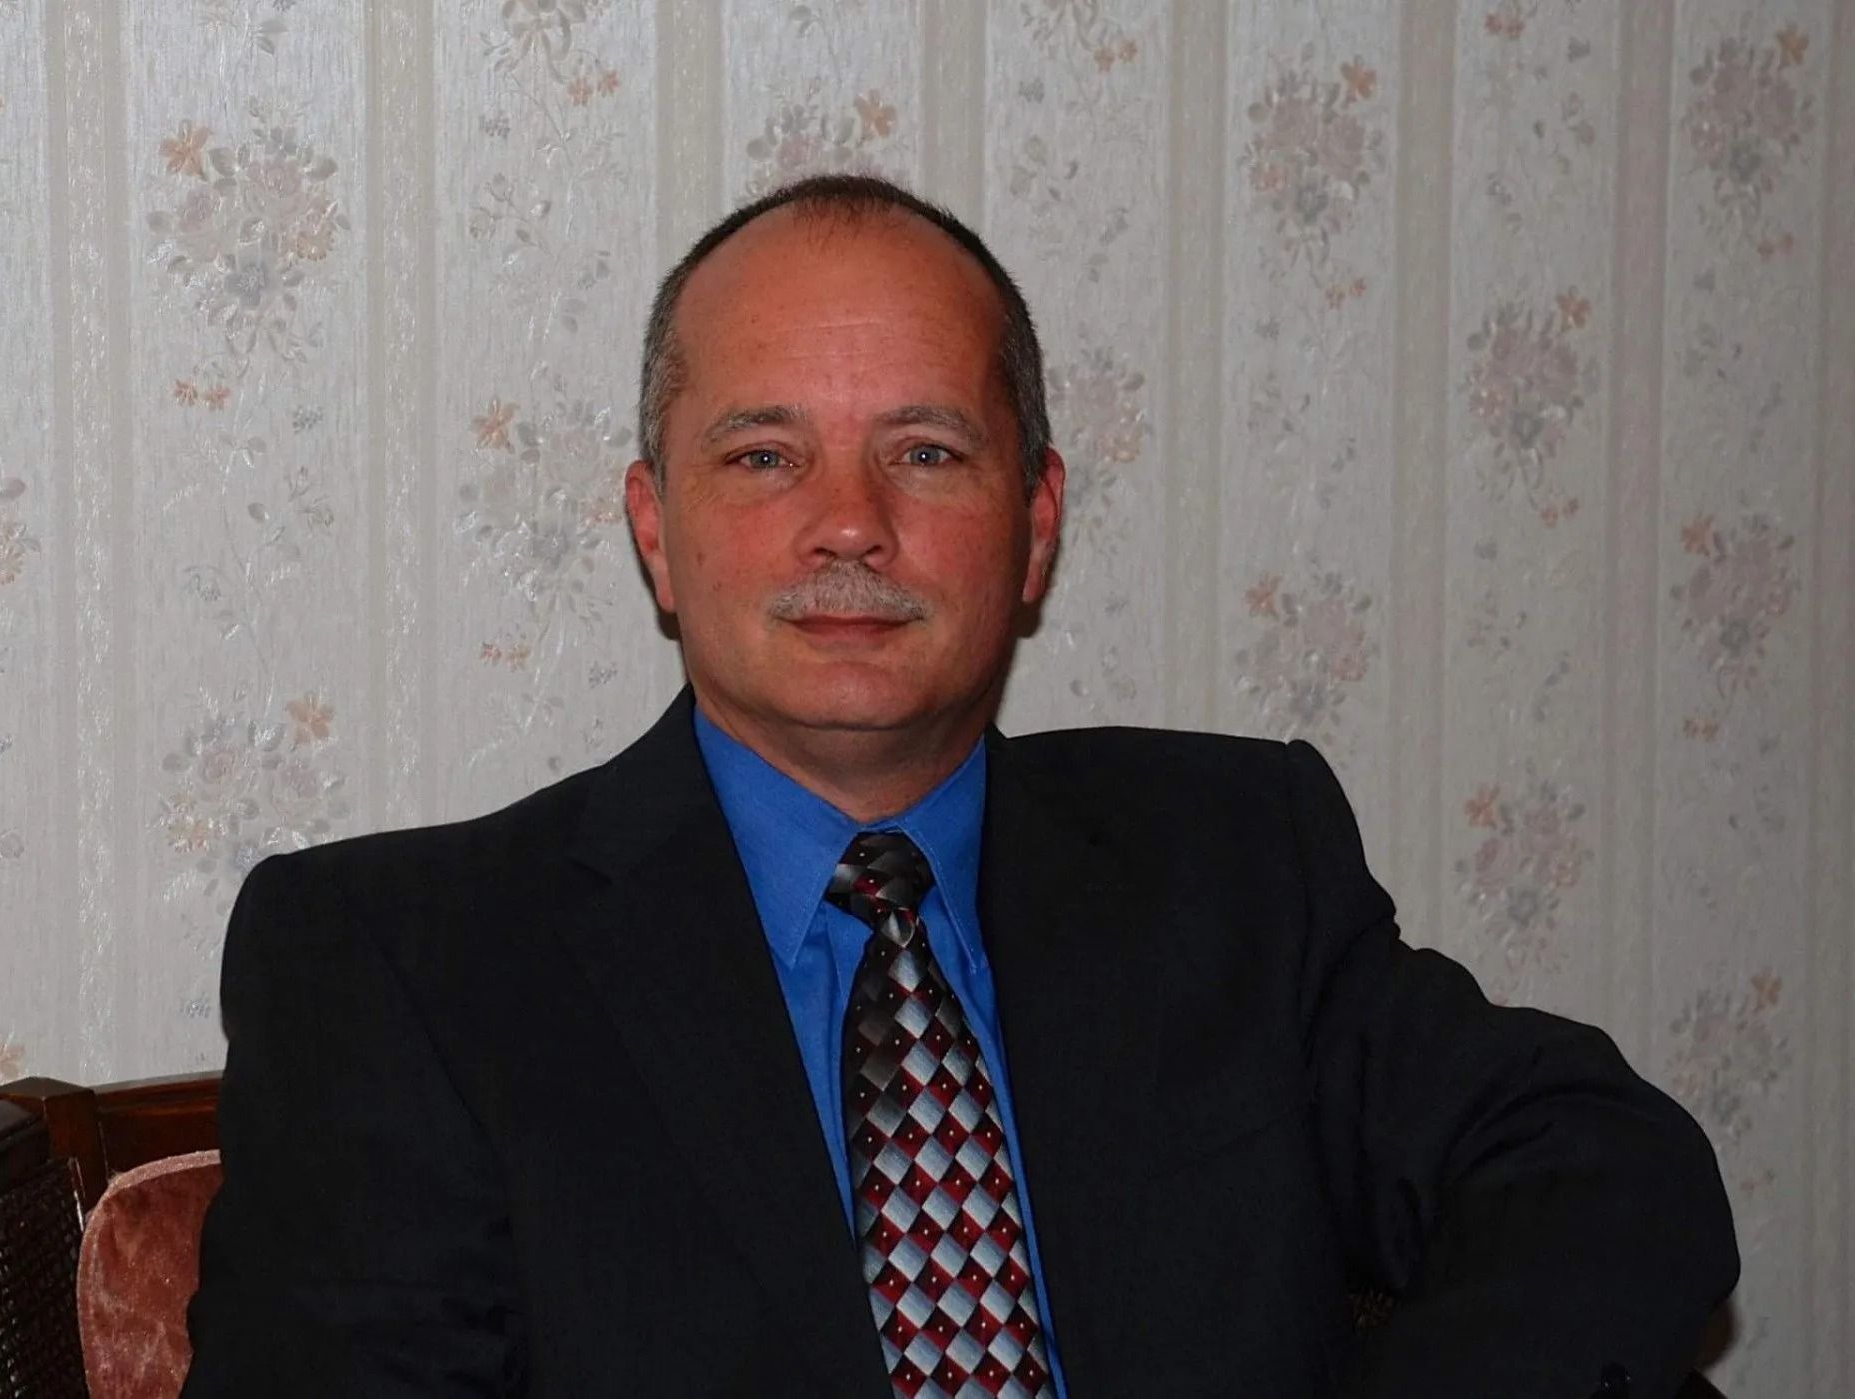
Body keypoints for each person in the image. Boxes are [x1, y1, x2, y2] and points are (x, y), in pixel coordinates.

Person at [184, 175, 1737, 1399]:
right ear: (655, 528)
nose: (850, 524)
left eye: (926, 452)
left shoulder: (1232, 864)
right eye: (764, 457)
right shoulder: (401, 959)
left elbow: (1601, 1168)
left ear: (1036, 521)